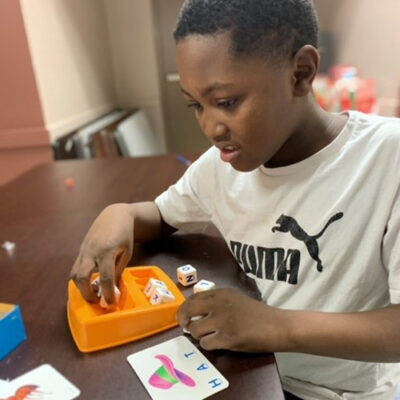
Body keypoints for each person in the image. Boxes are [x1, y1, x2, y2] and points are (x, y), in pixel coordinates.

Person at [70, 0, 400, 399]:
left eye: (226, 102)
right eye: (195, 105)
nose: (210, 126)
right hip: (249, 378)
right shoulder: (219, 169)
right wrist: (117, 214)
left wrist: (275, 326)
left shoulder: (387, 158)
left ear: (300, 73)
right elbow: (160, 215)